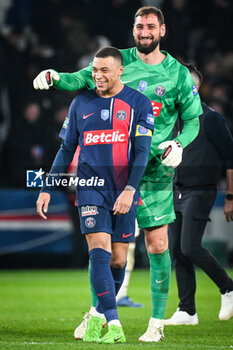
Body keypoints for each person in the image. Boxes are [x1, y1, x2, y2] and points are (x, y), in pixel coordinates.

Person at [33, 6, 203, 342]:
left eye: (150, 27)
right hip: (112, 173)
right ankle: (98, 313)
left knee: (157, 245)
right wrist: (54, 76)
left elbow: (194, 119)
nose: (144, 32)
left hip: (154, 171)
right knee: (108, 251)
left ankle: (155, 324)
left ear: (162, 30)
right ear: (134, 28)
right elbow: (79, 79)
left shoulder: (179, 74)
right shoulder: (114, 61)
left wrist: (179, 143)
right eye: (140, 26)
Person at [36, 46, 154, 343]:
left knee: (118, 259)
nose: (97, 75)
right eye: (94, 70)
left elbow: (142, 153)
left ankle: (97, 317)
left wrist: (130, 190)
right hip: (89, 188)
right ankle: (114, 325)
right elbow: (66, 149)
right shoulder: (80, 104)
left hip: (123, 189)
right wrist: (49, 186)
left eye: (104, 70)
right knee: (99, 251)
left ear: (119, 71)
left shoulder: (139, 103)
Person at [164, 64, 233, 326]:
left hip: (201, 191)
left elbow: (230, 157)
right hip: (176, 191)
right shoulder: (172, 120)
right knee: (177, 252)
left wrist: (230, 196)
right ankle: (187, 311)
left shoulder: (212, 119)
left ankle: (228, 288)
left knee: (189, 247)